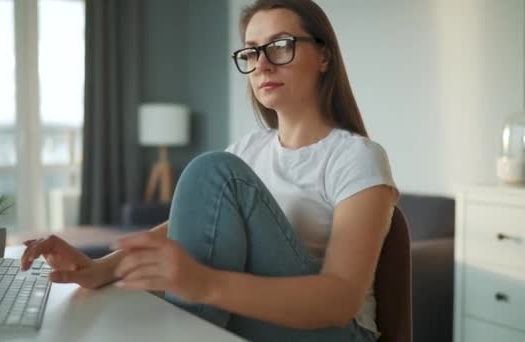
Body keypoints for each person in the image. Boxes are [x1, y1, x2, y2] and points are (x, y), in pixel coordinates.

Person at [21, 0, 398, 340]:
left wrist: (202, 284)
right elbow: (196, 229)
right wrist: (99, 268)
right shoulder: (250, 148)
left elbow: (340, 300)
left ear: (324, 56)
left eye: (280, 46)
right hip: (257, 316)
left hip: (333, 332)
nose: (261, 63)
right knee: (120, 308)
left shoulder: (356, 157)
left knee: (214, 170)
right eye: (251, 52)